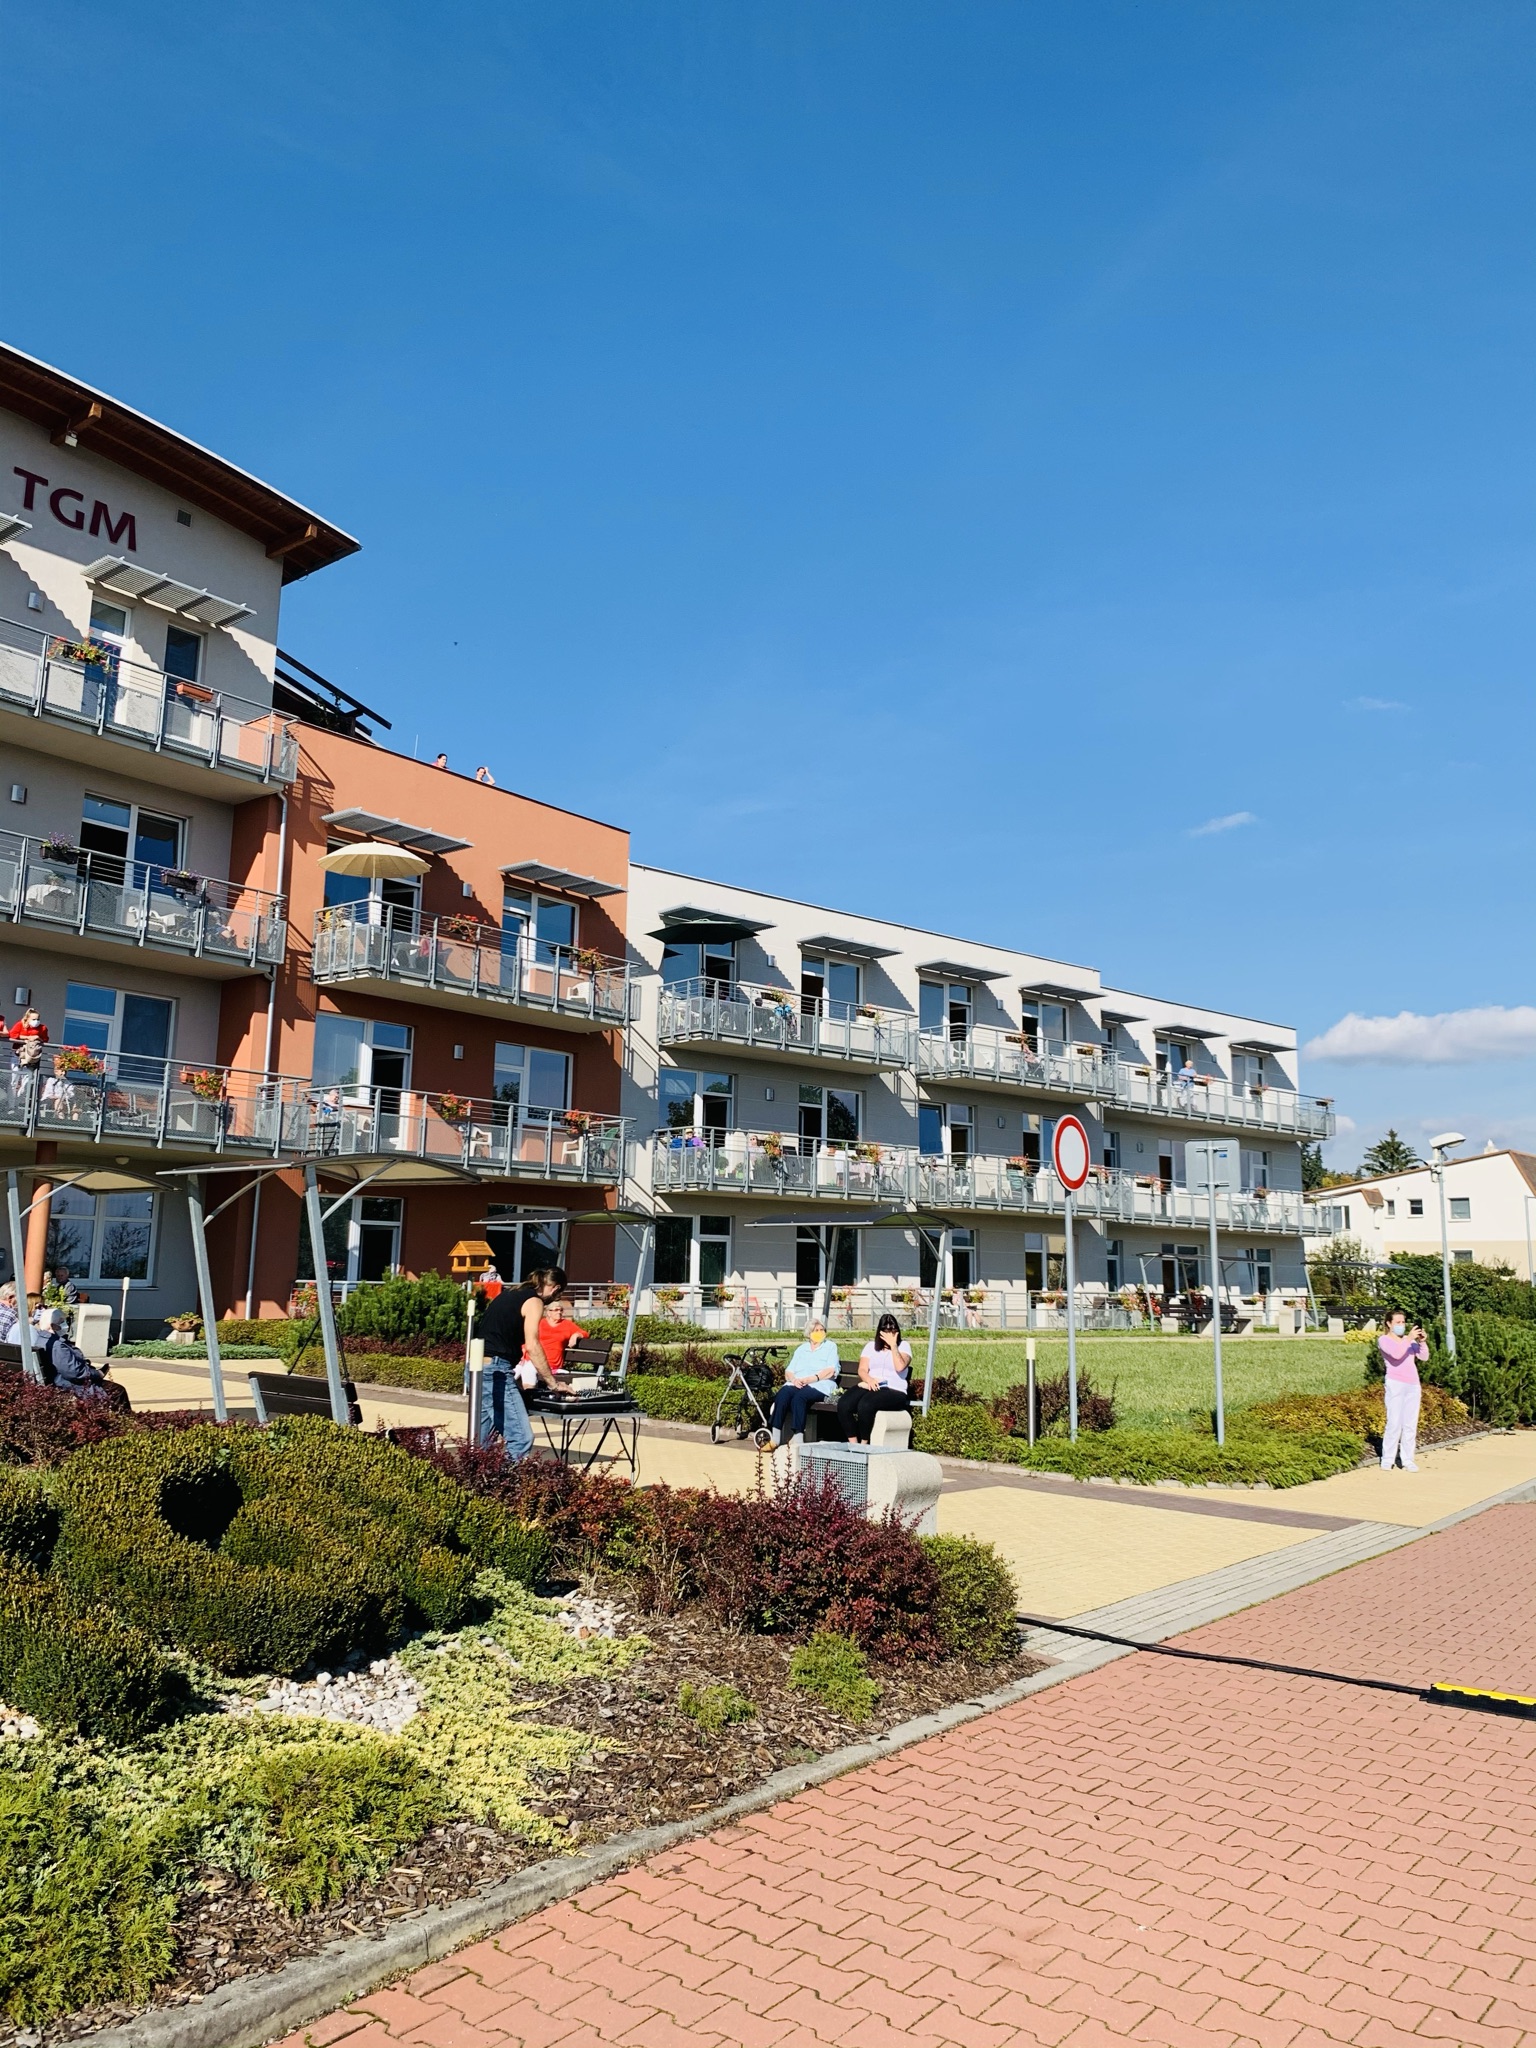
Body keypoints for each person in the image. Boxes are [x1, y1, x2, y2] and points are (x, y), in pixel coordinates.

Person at [475, 1265, 568, 1459]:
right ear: (556, 1288)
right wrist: (553, 1384)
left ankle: (479, 1476)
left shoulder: (511, 1293)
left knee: (482, 1442)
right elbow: (533, 1345)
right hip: (496, 1370)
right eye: (558, 1295)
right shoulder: (534, 1301)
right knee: (521, 1438)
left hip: (477, 1367)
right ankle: (506, 1477)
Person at [838, 1314, 913, 1443]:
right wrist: (869, 1380)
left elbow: (900, 1367)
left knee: (866, 1405)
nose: (890, 1334)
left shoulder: (904, 1346)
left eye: (893, 1330)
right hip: (872, 1384)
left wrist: (893, 1346)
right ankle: (853, 1443)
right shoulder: (870, 1347)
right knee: (844, 1404)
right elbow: (862, 1369)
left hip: (894, 1389)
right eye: (886, 1331)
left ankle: (864, 1443)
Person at [769, 1320, 841, 1444]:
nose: (820, 1332)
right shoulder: (801, 1349)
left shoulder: (830, 1346)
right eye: (816, 1330)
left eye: (822, 1330)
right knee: (783, 1393)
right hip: (798, 1383)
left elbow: (830, 1371)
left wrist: (810, 1379)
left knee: (800, 1397)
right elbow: (789, 1371)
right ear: (809, 1333)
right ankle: (775, 1438)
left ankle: (798, 1437)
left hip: (820, 1384)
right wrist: (794, 1380)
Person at [1379, 1312, 1428, 1471]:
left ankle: (1408, 1459)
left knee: (1410, 1424)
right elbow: (1396, 1354)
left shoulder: (1409, 1340)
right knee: (1394, 1423)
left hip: (1412, 1385)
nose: (1401, 1325)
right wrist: (1408, 1339)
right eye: (1398, 1322)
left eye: (1403, 1322)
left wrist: (1422, 1342)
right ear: (1389, 1323)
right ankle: (1388, 1459)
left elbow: (1423, 1356)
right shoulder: (1384, 1340)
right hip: (1395, 1383)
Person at [525, 1295, 589, 1388]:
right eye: (556, 1310)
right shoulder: (540, 1323)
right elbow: (528, 1338)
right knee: (516, 1371)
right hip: (533, 1359)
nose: (559, 1312)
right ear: (548, 1312)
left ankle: (528, 1392)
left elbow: (585, 1333)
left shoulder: (567, 1324)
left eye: (561, 1310)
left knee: (527, 1369)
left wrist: (576, 1335)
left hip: (551, 1363)